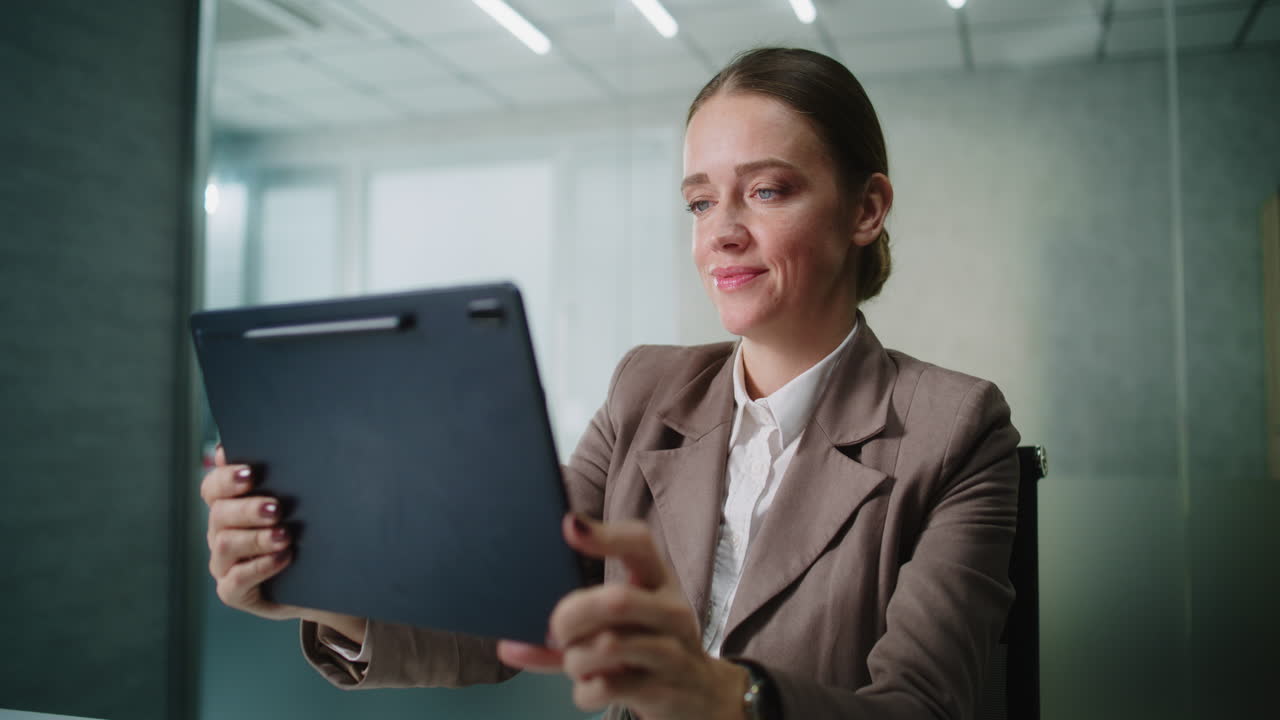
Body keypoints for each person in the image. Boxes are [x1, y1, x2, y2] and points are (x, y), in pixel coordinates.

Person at [201, 47, 1020, 720]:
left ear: (866, 209)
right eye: (701, 203)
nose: (722, 234)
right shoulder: (647, 391)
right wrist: (317, 585)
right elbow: (511, 606)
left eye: (766, 191)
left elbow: (923, 708)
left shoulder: (956, 429)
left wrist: (719, 694)